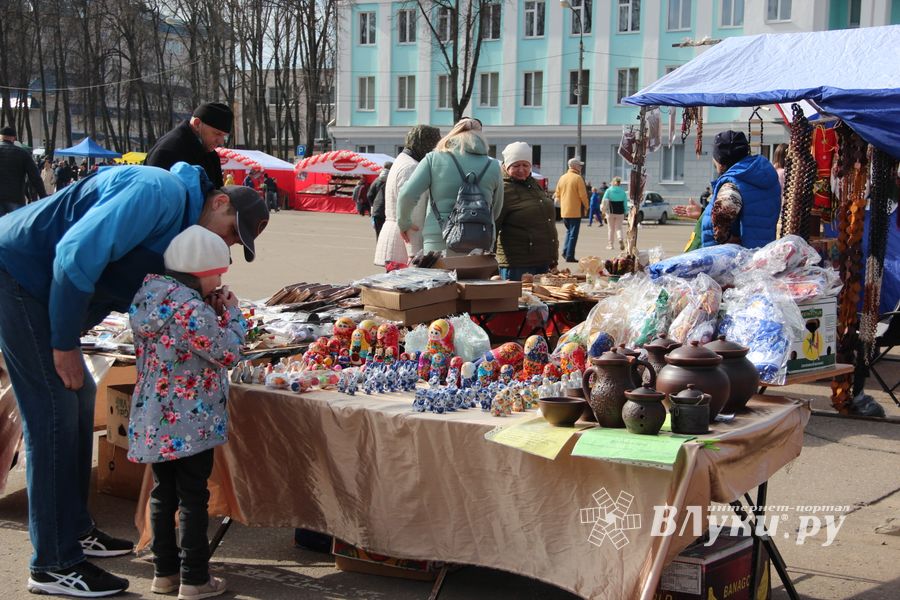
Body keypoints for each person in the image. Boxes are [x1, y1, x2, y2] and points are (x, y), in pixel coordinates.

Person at [0, 162, 267, 597]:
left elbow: (113, 283)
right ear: (219, 201)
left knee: (80, 398)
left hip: (37, 284)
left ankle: (74, 530)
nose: (228, 244)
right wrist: (63, 343)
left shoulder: (180, 234)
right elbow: (75, 254)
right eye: (232, 231)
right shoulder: (157, 191)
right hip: (18, 274)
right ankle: (52, 563)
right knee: (54, 412)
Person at [128, 225, 246, 599]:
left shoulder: (150, 296)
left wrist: (209, 310)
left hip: (154, 417)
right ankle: (195, 578)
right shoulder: (192, 310)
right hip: (191, 420)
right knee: (193, 496)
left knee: (164, 493)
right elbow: (227, 351)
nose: (219, 281)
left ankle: (164, 573)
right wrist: (234, 315)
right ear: (201, 271)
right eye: (217, 274)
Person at [397, 118, 503, 253]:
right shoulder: (493, 165)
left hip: (439, 238)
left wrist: (404, 222)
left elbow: (407, 194)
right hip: (480, 239)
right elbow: (496, 208)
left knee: (439, 274)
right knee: (476, 274)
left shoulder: (433, 158)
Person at [678, 130, 781, 251]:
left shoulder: (733, 182)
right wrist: (703, 212)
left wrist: (725, 239)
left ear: (721, 161)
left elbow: (724, 210)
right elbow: (750, 214)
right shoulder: (761, 176)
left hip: (735, 260)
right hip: (761, 254)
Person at [374, 125, 441, 267]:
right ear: (426, 143)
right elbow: (413, 216)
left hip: (397, 237)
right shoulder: (412, 167)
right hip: (404, 244)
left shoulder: (401, 160)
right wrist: (414, 254)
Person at [495, 142, 558, 281]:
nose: (521, 170)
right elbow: (493, 226)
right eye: (516, 165)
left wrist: (553, 257)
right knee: (518, 302)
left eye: (526, 165)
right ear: (506, 166)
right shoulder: (502, 189)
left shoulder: (534, 184)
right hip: (517, 265)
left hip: (543, 261)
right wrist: (488, 264)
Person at [146, 102, 233, 188]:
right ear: (197, 124)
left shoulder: (210, 153)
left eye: (224, 136)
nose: (221, 142)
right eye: (217, 134)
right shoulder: (168, 151)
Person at [0, 126, 46, 216]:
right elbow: (35, 177)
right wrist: (43, 196)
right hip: (15, 197)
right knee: (16, 227)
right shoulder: (22, 153)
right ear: (14, 138)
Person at [556, 157, 589, 262]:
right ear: (575, 166)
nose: (581, 167)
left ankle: (565, 251)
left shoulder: (562, 177)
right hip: (575, 210)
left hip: (564, 210)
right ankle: (569, 255)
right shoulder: (578, 178)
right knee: (573, 234)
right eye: (579, 165)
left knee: (569, 232)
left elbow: (557, 194)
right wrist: (587, 206)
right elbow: (583, 195)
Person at [601, 176, 629, 251]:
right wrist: (626, 212)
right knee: (619, 228)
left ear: (613, 182)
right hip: (620, 212)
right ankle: (620, 239)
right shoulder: (623, 192)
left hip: (610, 212)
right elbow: (625, 204)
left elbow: (604, 201)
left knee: (611, 229)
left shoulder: (609, 190)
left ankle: (611, 245)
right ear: (620, 183)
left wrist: (602, 210)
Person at [368, 161, 392, 240]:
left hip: (377, 210)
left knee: (379, 233)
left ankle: (379, 250)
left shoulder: (376, 180)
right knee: (388, 235)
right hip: (389, 211)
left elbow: (369, 195)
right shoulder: (392, 179)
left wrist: (374, 204)